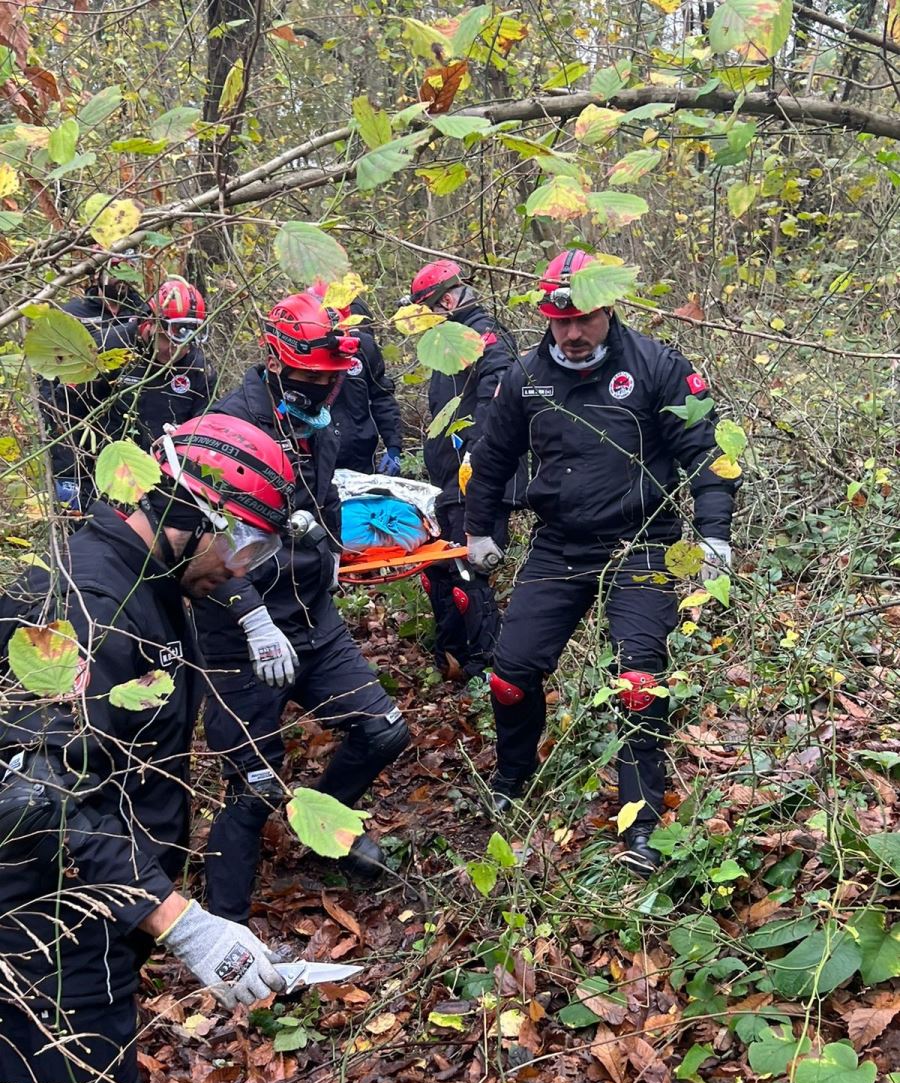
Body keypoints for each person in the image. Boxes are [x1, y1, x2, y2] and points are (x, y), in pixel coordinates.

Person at [0, 414, 296, 1083]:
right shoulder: (91, 605)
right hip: (50, 919)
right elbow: (35, 796)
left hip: (82, 913)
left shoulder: (145, 585)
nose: (239, 570)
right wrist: (176, 919)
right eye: (238, 545)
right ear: (188, 515)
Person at [464, 249, 739, 876]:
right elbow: (493, 456)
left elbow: (705, 450)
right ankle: (514, 777)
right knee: (508, 674)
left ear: (607, 308)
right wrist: (481, 528)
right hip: (560, 545)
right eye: (559, 322)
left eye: (583, 319)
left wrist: (715, 535)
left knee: (638, 682)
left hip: (644, 542)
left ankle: (642, 823)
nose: (572, 333)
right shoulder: (524, 377)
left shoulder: (657, 365)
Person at [195, 291, 410, 923]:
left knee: (383, 730)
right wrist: (253, 620)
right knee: (254, 782)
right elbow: (206, 544)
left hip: (314, 620)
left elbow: (318, 501)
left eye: (330, 381)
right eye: (308, 378)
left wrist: (335, 553)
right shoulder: (231, 425)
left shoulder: (320, 418)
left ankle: (321, 827)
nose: (320, 390)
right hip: (240, 631)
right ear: (275, 358)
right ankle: (225, 931)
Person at [406, 258, 523, 681]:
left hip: (478, 479)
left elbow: (500, 392)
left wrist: (478, 453)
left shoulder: (484, 336)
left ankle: (485, 667)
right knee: (439, 568)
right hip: (448, 484)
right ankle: (450, 656)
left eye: (428, 309)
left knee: (467, 571)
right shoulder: (449, 344)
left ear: (449, 300)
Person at [38, 250, 145, 512]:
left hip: (126, 436)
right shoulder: (71, 315)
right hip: (76, 431)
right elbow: (50, 385)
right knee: (76, 515)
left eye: (129, 268)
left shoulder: (142, 314)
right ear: (97, 272)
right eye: (116, 268)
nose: (122, 278)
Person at [309, 284, 403, 475]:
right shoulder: (302, 349)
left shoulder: (363, 346)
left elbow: (381, 396)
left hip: (359, 455)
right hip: (314, 456)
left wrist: (394, 445)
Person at [115, 277, 217, 448]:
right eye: (169, 340)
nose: (178, 350)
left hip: (167, 464)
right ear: (152, 323)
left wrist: (184, 436)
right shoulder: (114, 347)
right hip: (110, 461)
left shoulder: (198, 369)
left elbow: (204, 424)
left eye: (187, 344)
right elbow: (72, 405)